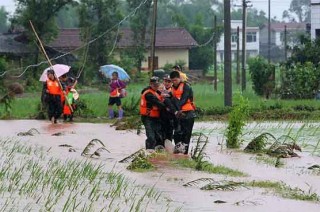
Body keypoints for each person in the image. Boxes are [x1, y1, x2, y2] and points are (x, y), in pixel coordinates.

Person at [170, 70, 196, 154]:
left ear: (179, 79)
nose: (174, 82)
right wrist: (176, 111)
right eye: (173, 80)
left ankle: (185, 154)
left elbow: (184, 99)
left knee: (186, 134)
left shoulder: (186, 87)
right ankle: (178, 152)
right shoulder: (171, 88)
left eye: (176, 80)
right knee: (177, 133)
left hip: (188, 113)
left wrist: (178, 110)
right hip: (179, 114)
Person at [140, 77, 169, 150]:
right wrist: (167, 107)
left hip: (156, 117)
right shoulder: (148, 94)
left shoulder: (157, 92)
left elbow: (166, 95)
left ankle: (157, 153)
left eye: (157, 85)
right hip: (148, 118)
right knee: (151, 137)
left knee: (158, 136)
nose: (156, 87)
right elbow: (158, 103)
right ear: (150, 84)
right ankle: (149, 152)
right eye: (154, 85)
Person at [159, 74, 175, 142]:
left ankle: (169, 148)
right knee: (161, 133)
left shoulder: (174, 91)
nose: (167, 83)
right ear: (163, 81)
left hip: (170, 116)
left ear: (171, 83)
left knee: (169, 133)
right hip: (161, 115)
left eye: (169, 81)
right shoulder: (159, 90)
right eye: (166, 81)